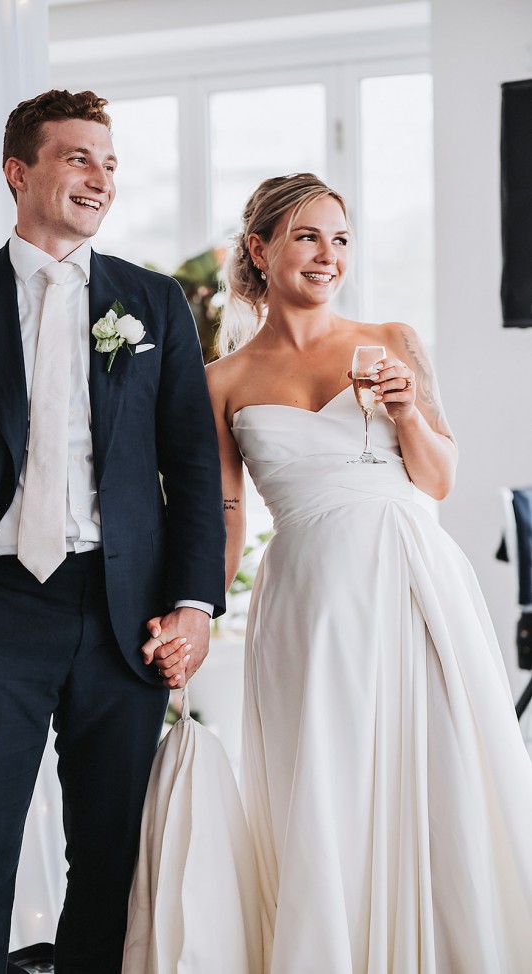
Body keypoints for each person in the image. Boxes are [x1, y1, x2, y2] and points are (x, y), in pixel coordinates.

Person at [0, 89, 225, 973]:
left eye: (109, 163)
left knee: (111, 869)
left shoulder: (153, 304)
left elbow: (193, 468)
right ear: (18, 171)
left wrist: (193, 603)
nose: (99, 178)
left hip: (124, 616)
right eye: (78, 157)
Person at [205, 172, 532, 973]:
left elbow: (438, 480)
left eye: (341, 239)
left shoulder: (394, 340)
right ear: (260, 250)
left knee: (440, 769)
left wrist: (406, 410)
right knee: (327, 782)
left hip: (415, 583)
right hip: (309, 602)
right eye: (308, 236)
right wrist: (194, 614)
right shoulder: (224, 381)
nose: (329, 255)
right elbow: (226, 517)